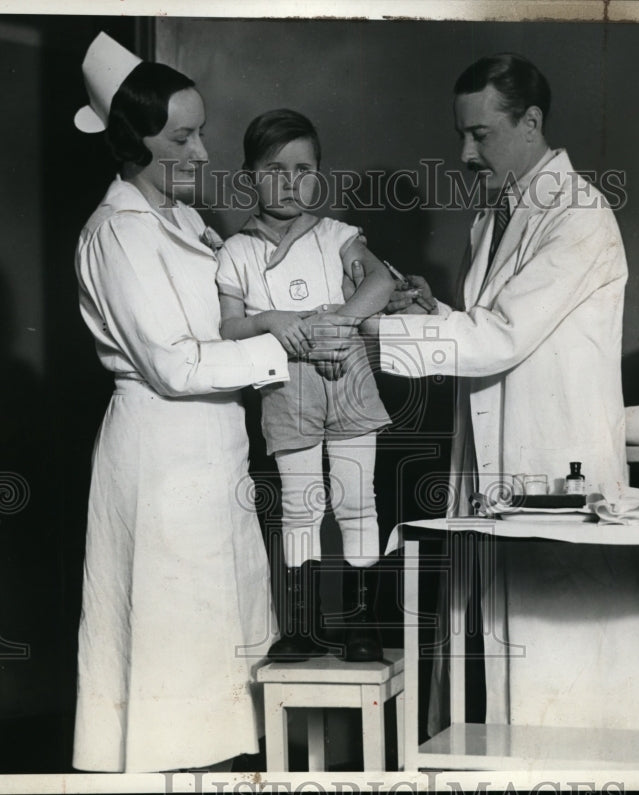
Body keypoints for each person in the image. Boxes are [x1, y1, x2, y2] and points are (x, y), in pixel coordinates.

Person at [332, 52, 639, 733]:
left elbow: (502, 335)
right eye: (461, 133)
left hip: (557, 459)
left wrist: (374, 330)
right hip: (495, 464)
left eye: (479, 134)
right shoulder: (495, 217)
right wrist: (429, 311)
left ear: (531, 122)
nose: (463, 152)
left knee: (570, 663)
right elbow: (487, 327)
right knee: (493, 652)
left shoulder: (580, 216)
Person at [70, 33, 290, 772]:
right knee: (169, 659)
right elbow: (172, 363)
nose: (202, 153)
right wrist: (281, 348)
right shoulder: (119, 234)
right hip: (161, 453)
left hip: (211, 452)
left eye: (202, 132)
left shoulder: (186, 222)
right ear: (134, 143)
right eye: (183, 138)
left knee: (216, 648)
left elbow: (237, 313)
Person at [217, 109, 395, 663]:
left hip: (347, 377)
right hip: (286, 389)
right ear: (249, 176)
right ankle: (302, 624)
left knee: (356, 502)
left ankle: (361, 622)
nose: (291, 183)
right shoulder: (236, 252)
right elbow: (227, 326)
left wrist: (340, 323)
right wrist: (270, 320)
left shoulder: (337, 236)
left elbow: (382, 280)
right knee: (299, 508)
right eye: (275, 170)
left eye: (304, 169)